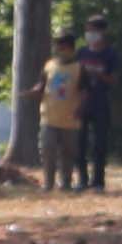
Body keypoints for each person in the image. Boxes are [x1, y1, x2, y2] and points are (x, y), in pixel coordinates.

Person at [74, 19, 119, 193]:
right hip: (82, 103)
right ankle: (82, 180)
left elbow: (113, 79)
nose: (90, 35)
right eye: (88, 31)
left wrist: (98, 74)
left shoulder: (110, 54)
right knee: (80, 143)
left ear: (102, 32)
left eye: (93, 31)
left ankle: (98, 181)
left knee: (99, 144)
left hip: (101, 102)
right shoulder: (81, 53)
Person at [38, 45, 83, 191]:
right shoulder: (49, 66)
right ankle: (48, 183)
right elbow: (41, 85)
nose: (61, 51)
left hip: (70, 119)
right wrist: (33, 92)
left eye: (64, 47)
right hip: (49, 117)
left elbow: (85, 91)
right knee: (48, 149)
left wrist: (80, 108)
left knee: (68, 153)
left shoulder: (79, 68)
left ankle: (66, 183)